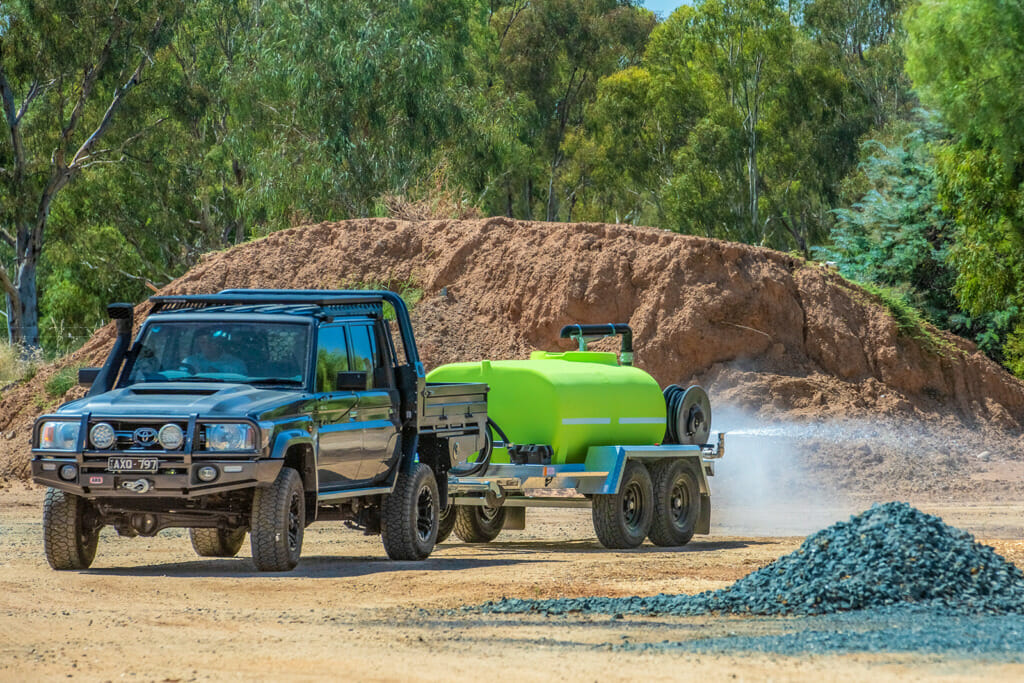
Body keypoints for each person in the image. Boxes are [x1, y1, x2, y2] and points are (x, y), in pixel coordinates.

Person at [181, 328, 248, 375]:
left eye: (211, 341)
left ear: (218, 343)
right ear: (198, 345)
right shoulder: (189, 362)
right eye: (203, 343)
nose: (207, 346)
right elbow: (181, 380)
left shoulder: (236, 364)